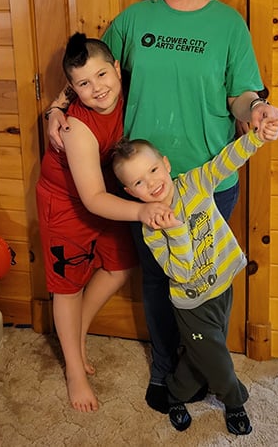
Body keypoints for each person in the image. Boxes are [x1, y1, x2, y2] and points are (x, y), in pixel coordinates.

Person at [45, 0, 278, 414]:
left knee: (205, 281)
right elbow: (91, 70)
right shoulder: (134, 22)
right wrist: (57, 108)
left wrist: (256, 110)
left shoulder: (227, 24)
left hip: (209, 179)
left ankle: (200, 369)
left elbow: (241, 95)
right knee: (158, 281)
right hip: (145, 184)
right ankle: (163, 369)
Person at [111, 117, 278, 435]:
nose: (151, 183)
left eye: (153, 170)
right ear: (130, 192)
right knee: (217, 357)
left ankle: (174, 394)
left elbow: (225, 162)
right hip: (192, 304)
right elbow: (181, 272)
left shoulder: (194, 183)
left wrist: (257, 137)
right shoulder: (152, 229)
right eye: (139, 182)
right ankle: (235, 401)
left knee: (201, 354)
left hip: (222, 286)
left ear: (166, 164)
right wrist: (176, 231)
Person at [36, 32, 173, 413]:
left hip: (106, 192)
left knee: (120, 265)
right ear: (72, 88)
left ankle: (77, 333)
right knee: (67, 286)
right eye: (83, 84)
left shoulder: (129, 89)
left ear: (116, 68)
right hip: (66, 202)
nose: (96, 88)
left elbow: (101, 195)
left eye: (101, 75)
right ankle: (73, 370)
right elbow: (92, 198)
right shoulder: (76, 128)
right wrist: (141, 211)